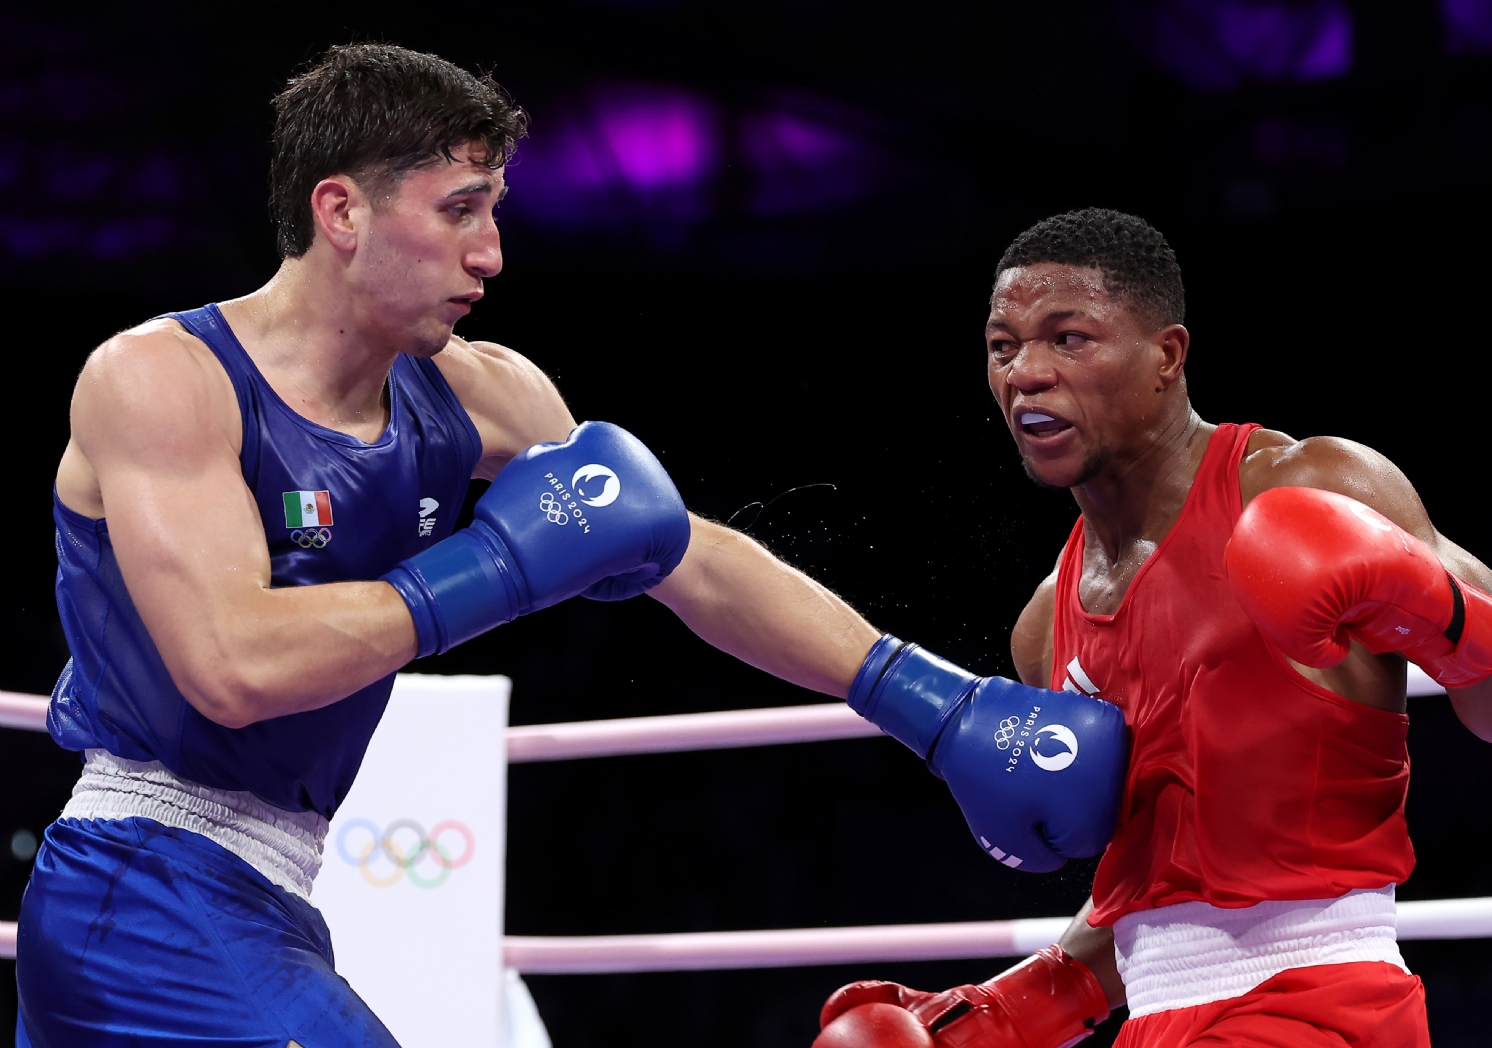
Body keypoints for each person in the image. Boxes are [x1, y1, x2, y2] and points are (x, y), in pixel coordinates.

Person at [15, 42, 905, 1048]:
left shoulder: (487, 394)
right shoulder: (162, 380)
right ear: (341, 212)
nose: (490, 254)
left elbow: (681, 553)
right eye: (458, 209)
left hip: (265, 896)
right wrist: (497, 567)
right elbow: (232, 663)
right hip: (142, 887)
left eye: (492, 212)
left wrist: (916, 697)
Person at [813, 209, 1492, 1048]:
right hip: (1158, 1022)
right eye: (1003, 347)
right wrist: (1013, 1008)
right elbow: (1157, 902)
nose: (1027, 373)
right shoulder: (1046, 624)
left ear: (1167, 357)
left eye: (1068, 339)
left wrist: (1427, 603)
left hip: (1323, 1006)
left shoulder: (1304, 485)